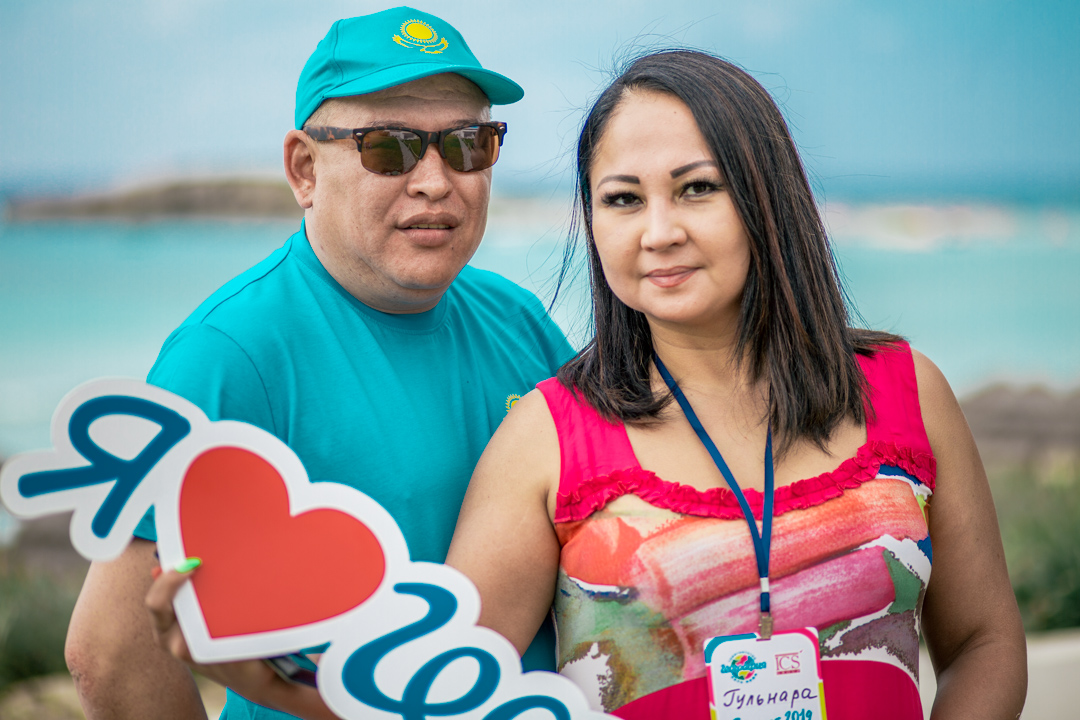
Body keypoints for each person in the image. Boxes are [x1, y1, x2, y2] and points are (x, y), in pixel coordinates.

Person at [444, 50, 1028, 719]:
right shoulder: (545, 436)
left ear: (766, 196)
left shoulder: (907, 389)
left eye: (697, 188)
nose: (659, 233)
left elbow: (983, 641)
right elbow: (451, 690)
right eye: (623, 199)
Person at [66, 7, 572, 720]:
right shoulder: (228, 355)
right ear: (305, 169)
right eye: (390, 148)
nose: (436, 181)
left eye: (468, 144)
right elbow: (111, 653)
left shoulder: (518, 318)